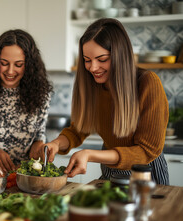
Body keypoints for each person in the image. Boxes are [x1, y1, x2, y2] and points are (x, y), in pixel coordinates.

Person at [42, 18, 169, 185]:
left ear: (120, 55)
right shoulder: (92, 85)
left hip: (145, 175)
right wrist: (57, 144)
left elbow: (146, 151)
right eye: (87, 60)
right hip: (110, 172)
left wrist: (90, 154)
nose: (93, 67)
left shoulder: (147, 83)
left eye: (102, 59)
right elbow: (78, 129)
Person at [0, 29, 53, 172]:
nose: (10, 71)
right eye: (4, 63)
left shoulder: (41, 93)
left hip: (24, 174)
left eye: (18, 64)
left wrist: (38, 148)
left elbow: (39, 135)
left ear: (29, 65)